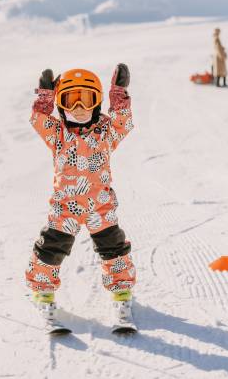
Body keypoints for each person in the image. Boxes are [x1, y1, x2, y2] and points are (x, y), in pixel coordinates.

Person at [25, 64, 136, 322]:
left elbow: (123, 121)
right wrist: (45, 98)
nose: (78, 107)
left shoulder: (105, 132)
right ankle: (43, 295)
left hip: (101, 207)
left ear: (97, 102)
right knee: (50, 250)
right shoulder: (58, 133)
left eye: (85, 99)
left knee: (115, 250)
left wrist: (119, 94)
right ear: (61, 104)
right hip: (65, 208)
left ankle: (121, 294)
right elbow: (39, 120)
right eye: (70, 100)